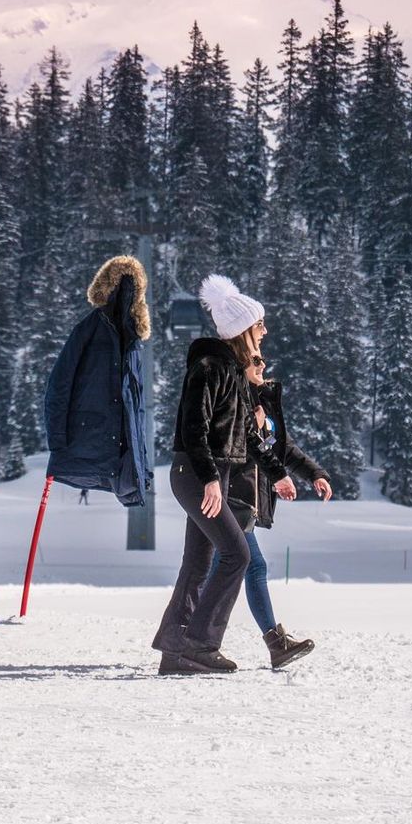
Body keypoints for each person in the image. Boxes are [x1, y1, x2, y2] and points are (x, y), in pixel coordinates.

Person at [151, 274, 266, 675]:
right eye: (259, 325)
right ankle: (200, 643)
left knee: (198, 563)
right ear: (241, 331)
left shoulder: (232, 369)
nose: (264, 331)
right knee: (237, 554)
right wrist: (210, 479)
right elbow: (192, 427)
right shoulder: (209, 366)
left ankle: (174, 647)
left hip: (210, 474)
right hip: (197, 473)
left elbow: (245, 436)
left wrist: (278, 464)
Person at [207, 354, 333, 669]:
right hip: (229, 491)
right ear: (240, 365)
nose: (263, 365)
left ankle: (186, 635)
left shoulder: (263, 398)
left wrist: (315, 474)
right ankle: (270, 643)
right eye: (256, 361)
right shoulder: (235, 396)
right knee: (249, 565)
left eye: (264, 361)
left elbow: (283, 447)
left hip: (244, 496)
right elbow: (226, 441)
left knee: (218, 568)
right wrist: (257, 428)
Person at [45, 254, 154, 507]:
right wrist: (58, 441)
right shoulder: (89, 329)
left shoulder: (134, 340)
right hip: (85, 439)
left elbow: (137, 407)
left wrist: (141, 461)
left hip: (118, 445)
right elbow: (59, 385)